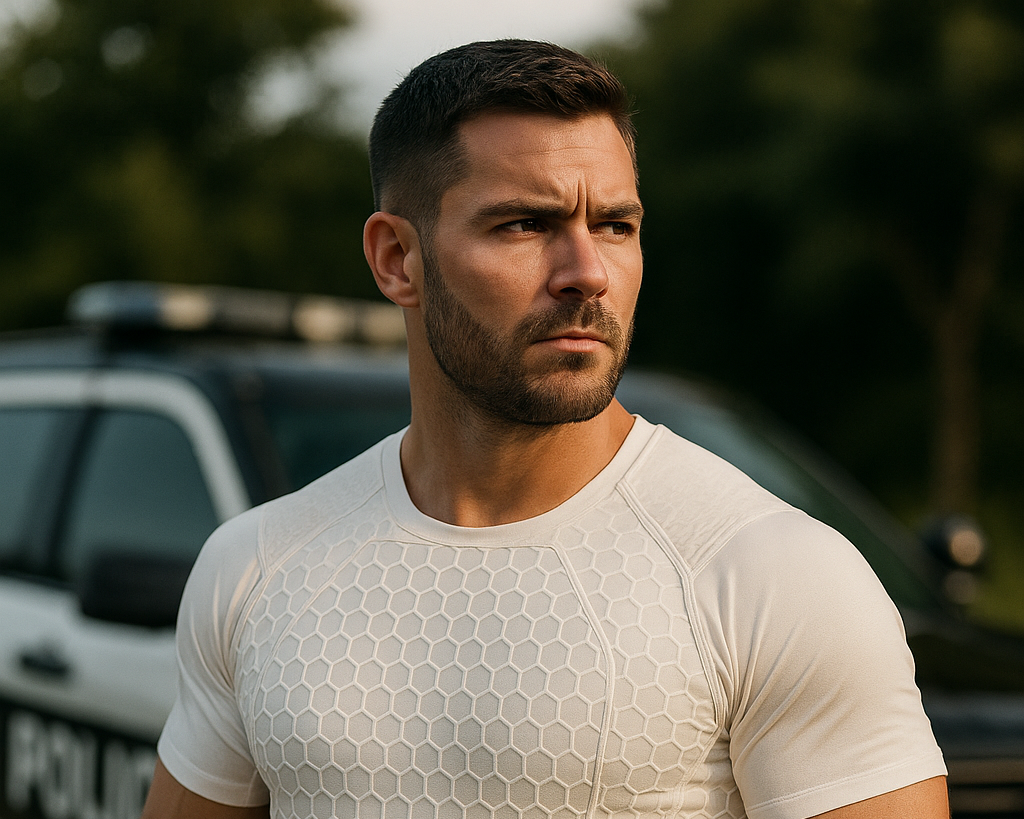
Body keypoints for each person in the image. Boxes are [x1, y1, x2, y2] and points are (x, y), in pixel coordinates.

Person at [142, 39, 949, 819]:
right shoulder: (256, 568)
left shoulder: (774, 574)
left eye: (615, 225)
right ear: (396, 259)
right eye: (525, 224)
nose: (587, 273)